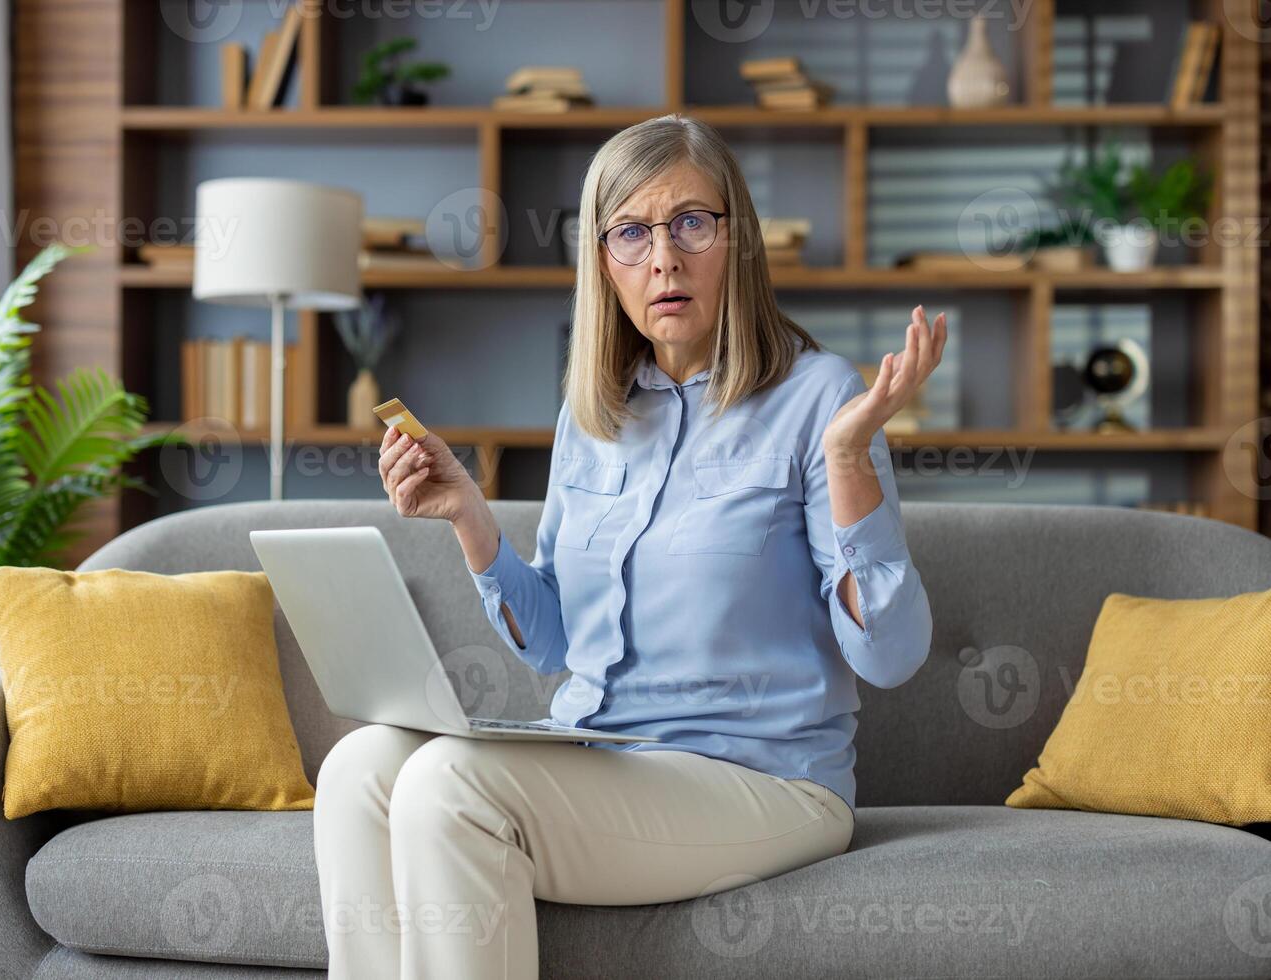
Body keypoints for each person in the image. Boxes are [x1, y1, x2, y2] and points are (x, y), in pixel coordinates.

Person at [313, 112, 945, 980]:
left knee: (450, 784)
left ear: (740, 240)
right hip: (599, 754)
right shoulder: (597, 412)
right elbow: (564, 645)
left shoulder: (820, 398)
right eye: (631, 233)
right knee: (359, 768)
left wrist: (846, 460)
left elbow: (893, 655)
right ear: (604, 264)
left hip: (762, 779)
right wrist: (472, 519)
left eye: (692, 223)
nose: (664, 258)